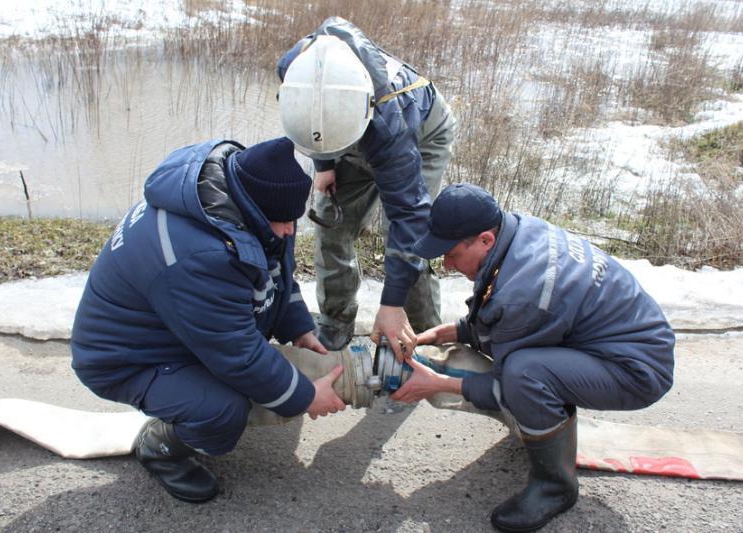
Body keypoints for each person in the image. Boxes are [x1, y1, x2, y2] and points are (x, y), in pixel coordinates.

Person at [70, 137, 346, 503]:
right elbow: (238, 353)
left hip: (173, 329)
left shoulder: (243, 198)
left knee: (258, 377)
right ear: (255, 210)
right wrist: (306, 397)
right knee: (223, 411)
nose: (290, 230)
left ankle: (189, 396)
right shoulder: (199, 253)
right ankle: (159, 447)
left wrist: (298, 326)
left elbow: (280, 269)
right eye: (282, 221)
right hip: (123, 358)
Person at [391, 183, 675, 532]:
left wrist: (436, 384)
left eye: (450, 253)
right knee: (523, 367)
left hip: (637, 369)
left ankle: (556, 487)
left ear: (485, 240)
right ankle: (546, 423)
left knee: (523, 374)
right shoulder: (519, 231)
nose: (447, 264)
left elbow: (508, 380)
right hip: (618, 342)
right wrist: (433, 334)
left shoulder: (527, 291)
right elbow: (496, 315)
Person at [276, 16, 456, 358]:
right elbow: (311, 118)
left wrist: (390, 303)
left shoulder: (391, 124)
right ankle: (335, 322)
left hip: (421, 136)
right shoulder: (295, 69)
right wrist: (324, 164)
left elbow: (410, 218)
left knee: (409, 243)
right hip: (347, 135)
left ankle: (421, 335)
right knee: (331, 223)